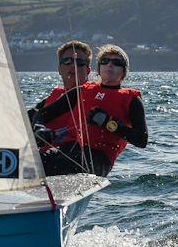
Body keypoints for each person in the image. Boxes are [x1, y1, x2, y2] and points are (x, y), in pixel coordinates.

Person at [34, 44, 148, 177]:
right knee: (30, 160)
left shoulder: (132, 99)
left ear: (124, 72)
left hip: (98, 159)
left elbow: (142, 140)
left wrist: (109, 123)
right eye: (105, 61)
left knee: (66, 165)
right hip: (67, 150)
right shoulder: (81, 91)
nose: (110, 65)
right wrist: (40, 129)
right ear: (99, 69)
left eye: (116, 63)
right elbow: (42, 114)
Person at [27, 40, 92, 150]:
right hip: (41, 157)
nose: (73, 66)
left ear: (88, 70)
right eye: (67, 61)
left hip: (72, 158)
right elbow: (26, 118)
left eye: (79, 62)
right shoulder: (55, 96)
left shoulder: (94, 95)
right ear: (59, 69)